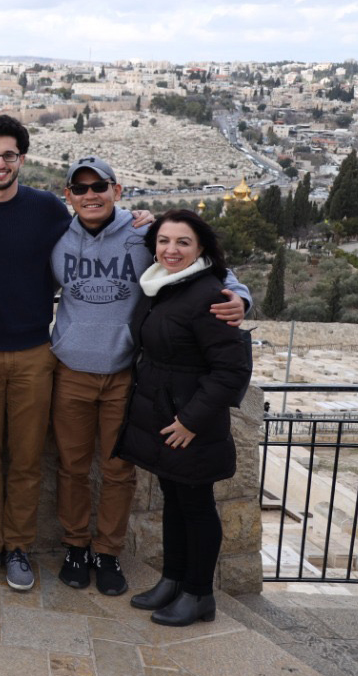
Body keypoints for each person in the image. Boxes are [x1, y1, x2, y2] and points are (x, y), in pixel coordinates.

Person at [0, 116, 242, 592]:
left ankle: (47, 549)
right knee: (3, 460)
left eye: (9, 154)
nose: (89, 195)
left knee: (53, 463)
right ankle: (6, 545)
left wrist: (238, 293)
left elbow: (195, 259)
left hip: (62, 359)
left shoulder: (83, 220)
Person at [48, 157, 249, 596]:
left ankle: (107, 551)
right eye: (79, 188)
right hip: (72, 371)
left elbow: (213, 269)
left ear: (116, 190)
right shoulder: (56, 237)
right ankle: (76, 547)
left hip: (126, 374)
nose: (90, 194)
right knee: (72, 468)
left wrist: (244, 298)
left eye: (99, 185)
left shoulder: (146, 232)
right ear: (69, 197)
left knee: (120, 471)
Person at [116, 210, 253, 626]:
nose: (170, 250)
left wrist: (191, 421)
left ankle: (198, 594)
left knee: (195, 505)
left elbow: (231, 370)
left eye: (182, 243)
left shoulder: (211, 295)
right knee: (174, 502)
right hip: (166, 413)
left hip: (191, 424)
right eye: (163, 241)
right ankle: (172, 580)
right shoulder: (162, 285)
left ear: (201, 250)